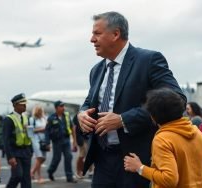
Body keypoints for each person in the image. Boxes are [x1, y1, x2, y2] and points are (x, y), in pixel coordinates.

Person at [77, 11, 186, 188]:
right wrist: (82, 114)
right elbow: (90, 102)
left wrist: (123, 119)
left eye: (97, 33)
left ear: (115, 34)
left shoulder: (149, 60)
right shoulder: (96, 70)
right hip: (102, 159)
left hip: (136, 160)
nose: (91, 39)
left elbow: (178, 99)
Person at [124, 88, 202, 187]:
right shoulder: (197, 133)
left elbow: (169, 179)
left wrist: (139, 167)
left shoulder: (162, 139)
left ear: (153, 116)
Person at [3, 93, 33, 188]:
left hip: (26, 151)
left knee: (26, 178)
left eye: (25, 104)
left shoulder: (25, 117)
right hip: (15, 152)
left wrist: (30, 150)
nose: (25, 106)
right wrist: (10, 156)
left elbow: (29, 135)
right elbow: (6, 139)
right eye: (22, 104)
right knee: (17, 175)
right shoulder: (9, 119)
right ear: (15, 105)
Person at [45, 100, 77, 183]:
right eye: (61, 106)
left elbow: (72, 128)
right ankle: (50, 171)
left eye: (63, 106)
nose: (63, 108)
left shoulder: (66, 116)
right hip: (57, 142)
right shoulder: (51, 118)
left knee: (69, 157)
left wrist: (74, 141)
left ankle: (69, 177)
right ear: (56, 108)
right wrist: (47, 143)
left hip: (66, 140)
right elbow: (47, 131)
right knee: (57, 159)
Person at [29, 105, 47, 184]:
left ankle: (32, 172)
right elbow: (31, 131)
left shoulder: (44, 118)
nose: (40, 112)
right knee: (39, 157)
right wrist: (42, 129)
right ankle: (39, 176)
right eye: (39, 110)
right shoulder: (32, 119)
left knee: (44, 158)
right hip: (36, 140)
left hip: (44, 140)